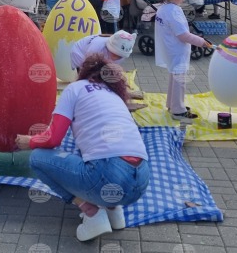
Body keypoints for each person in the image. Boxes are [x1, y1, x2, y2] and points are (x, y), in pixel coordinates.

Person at [14, 57, 150, 242]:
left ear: (81, 72)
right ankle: (114, 211)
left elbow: (53, 138)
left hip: (108, 174)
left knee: (37, 158)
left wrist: (30, 141)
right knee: (93, 153)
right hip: (140, 182)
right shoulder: (113, 94)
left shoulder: (74, 89)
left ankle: (91, 212)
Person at [154, 0, 210, 123]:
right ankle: (178, 110)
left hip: (170, 48)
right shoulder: (173, 11)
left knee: (174, 77)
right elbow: (183, 35)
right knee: (180, 80)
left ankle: (172, 104)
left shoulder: (163, 8)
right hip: (177, 49)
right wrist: (201, 42)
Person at [69, 30, 136, 70]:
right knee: (87, 75)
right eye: (115, 54)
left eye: (119, 56)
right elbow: (88, 64)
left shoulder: (123, 53)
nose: (116, 58)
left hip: (96, 56)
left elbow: (112, 66)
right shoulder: (96, 47)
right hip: (80, 52)